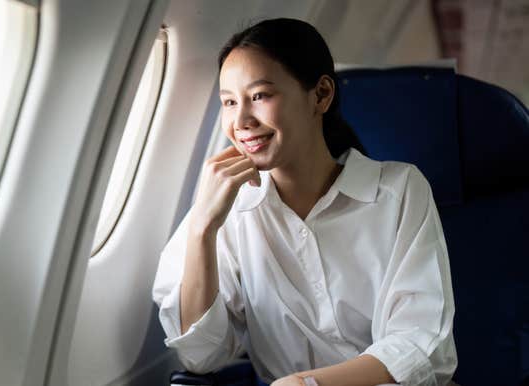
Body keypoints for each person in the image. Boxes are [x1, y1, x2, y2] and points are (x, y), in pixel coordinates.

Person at [151, 18, 457, 386]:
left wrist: (306, 384)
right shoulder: (228, 208)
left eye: (260, 95)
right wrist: (203, 226)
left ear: (321, 95)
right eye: (229, 102)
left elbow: (421, 344)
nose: (242, 120)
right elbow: (201, 356)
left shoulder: (398, 190)